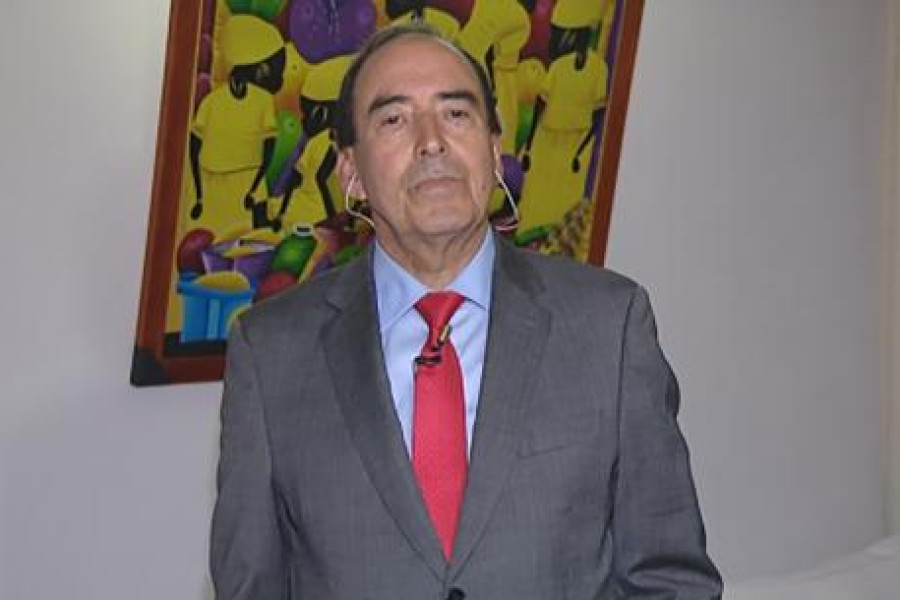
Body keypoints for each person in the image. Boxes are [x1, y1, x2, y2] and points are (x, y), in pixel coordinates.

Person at [210, 23, 723, 600]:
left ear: (494, 147)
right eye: (394, 119)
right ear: (350, 171)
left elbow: (670, 582)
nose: (432, 142)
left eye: (456, 114)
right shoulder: (271, 354)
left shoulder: (609, 327)